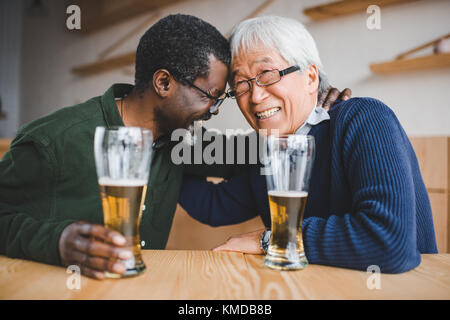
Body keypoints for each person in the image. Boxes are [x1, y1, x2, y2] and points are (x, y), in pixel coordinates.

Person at [0, 14, 348, 280]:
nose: (213, 112)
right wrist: (57, 242)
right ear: (164, 82)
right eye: (211, 97)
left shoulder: (184, 142)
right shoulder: (54, 140)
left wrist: (318, 115)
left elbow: (268, 150)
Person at [179, 16, 438, 273]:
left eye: (267, 74)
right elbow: (212, 206)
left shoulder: (364, 118)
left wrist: (273, 239)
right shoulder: (272, 150)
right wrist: (171, 128)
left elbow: (389, 242)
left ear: (311, 78)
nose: (255, 96)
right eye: (241, 84)